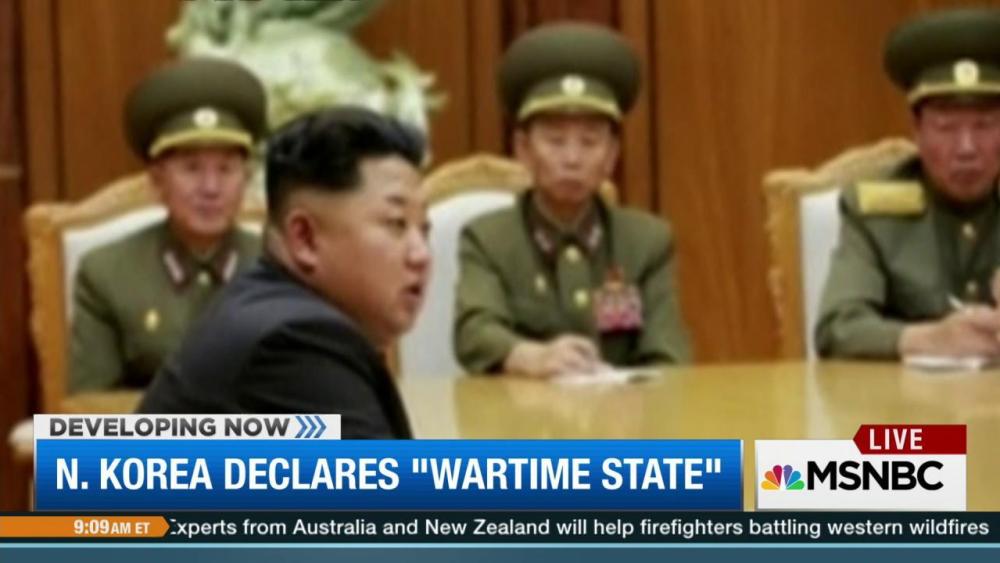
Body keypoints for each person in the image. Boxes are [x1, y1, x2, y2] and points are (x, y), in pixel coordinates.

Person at [138, 107, 428, 439]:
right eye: (396, 224)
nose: (421, 254)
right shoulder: (294, 342)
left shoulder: (268, 305)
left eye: (425, 230)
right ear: (304, 238)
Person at [453, 22, 690, 378]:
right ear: (523, 149)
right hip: (522, 410)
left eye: (589, 142)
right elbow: (474, 332)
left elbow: (669, 356)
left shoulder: (646, 242)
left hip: (621, 412)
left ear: (612, 155)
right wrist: (529, 357)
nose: (572, 159)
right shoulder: (488, 240)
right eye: (555, 141)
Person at [70, 57, 266, 392]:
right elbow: (88, 413)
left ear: (246, 179)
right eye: (192, 169)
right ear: (157, 182)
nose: (211, 188)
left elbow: (312, 401)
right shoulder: (106, 274)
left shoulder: (284, 268)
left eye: (225, 169)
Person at [816, 8, 1000, 360]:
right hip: (908, 397)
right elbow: (837, 328)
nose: (967, 148)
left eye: (985, 126)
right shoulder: (875, 213)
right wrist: (930, 340)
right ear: (917, 131)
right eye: (946, 128)